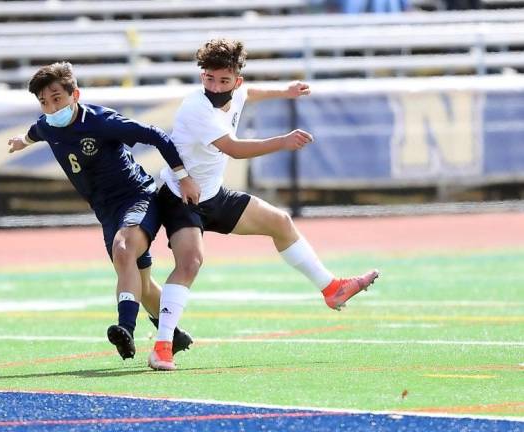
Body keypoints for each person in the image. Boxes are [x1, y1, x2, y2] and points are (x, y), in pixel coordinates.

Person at [148, 38, 379, 371]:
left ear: (235, 81)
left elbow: (249, 93)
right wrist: (283, 142)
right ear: (202, 77)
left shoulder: (237, 90)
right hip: (182, 197)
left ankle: (332, 289)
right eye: (209, 78)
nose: (215, 86)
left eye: (223, 80)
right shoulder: (197, 107)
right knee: (190, 263)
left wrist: (284, 92)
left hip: (213, 193)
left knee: (281, 223)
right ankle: (162, 347)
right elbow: (234, 148)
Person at [7, 62, 200, 361]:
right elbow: (35, 131)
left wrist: (183, 176)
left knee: (123, 249)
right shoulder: (48, 125)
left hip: (138, 197)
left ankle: (126, 329)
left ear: (75, 94)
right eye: (44, 102)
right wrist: (22, 141)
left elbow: (156, 135)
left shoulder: (100, 121)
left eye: (57, 98)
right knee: (142, 282)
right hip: (107, 211)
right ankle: (173, 334)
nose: (51, 107)